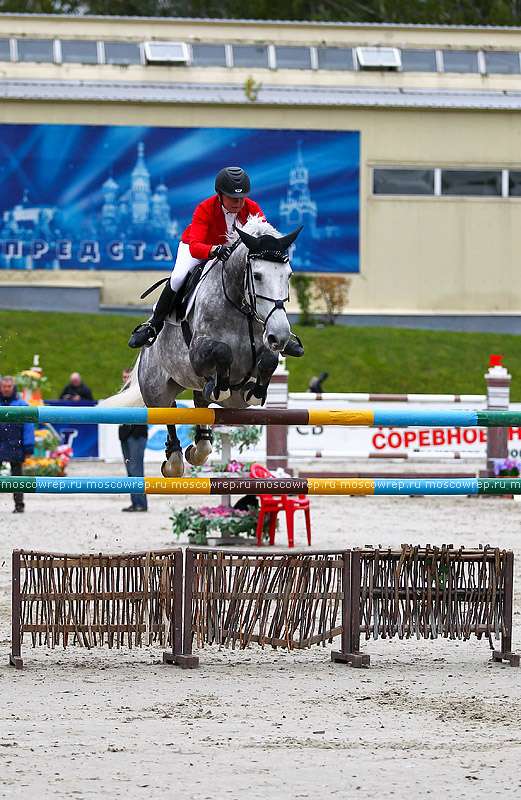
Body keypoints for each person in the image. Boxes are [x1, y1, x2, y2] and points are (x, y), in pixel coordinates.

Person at [128, 166, 304, 358]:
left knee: (255, 285)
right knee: (178, 277)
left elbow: (262, 237)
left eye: (241, 197)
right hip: (198, 247)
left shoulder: (252, 208)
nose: (238, 202)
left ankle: (278, 335)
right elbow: (196, 246)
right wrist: (214, 249)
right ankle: (153, 325)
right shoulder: (204, 208)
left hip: (230, 255)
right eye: (232, 197)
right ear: (219, 194)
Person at [0, 375, 35, 513]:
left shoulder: (22, 405)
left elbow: (28, 427)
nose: (7, 389)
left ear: (13, 387)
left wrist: (28, 446)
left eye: (9, 386)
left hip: (16, 445)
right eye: (4, 386)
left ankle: (19, 505)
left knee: (18, 478)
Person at [119, 368, 148, 512]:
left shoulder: (139, 392)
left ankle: (140, 503)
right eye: (124, 377)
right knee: (130, 469)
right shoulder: (122, 394)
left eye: (128, 376)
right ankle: (135, 501)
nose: (125, 379)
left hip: (136, 434)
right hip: (125, 434)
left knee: (136, 469)